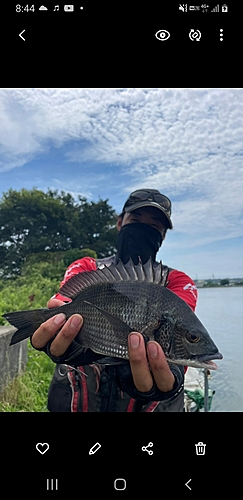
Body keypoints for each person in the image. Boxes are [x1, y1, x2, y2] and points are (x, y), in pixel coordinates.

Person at [31, 189, 198, 412]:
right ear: (120, 222)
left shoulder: (177, 281)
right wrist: (61, 335)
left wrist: (173, 375)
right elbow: (64, 304)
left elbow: (178, 327)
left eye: (153, 226)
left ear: (163, 235)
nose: (142, 229)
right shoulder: (87, 268)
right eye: (135, 220)